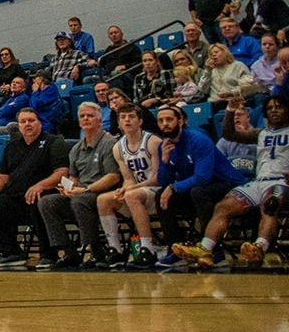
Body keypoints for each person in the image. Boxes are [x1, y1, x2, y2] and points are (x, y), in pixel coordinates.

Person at [171, 94, 289, 268]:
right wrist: (230, 110)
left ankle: (259, 247)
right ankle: (205, 248)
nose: (274, 110)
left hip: (281, 181)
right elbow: (229, 134)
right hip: (258, 181)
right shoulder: (261, 133)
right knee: (223, 207)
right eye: (270, 108)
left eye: (278, 107)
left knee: (270, 205)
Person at [152, 104, 244, 268]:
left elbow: (203, 177)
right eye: (161, 121)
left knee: (198, 192)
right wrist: (165, 162)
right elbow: (163, 182)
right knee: (160, 195)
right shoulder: (164, 146)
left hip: (227, 184)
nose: (165, 124)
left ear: (180, 121)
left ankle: (214, 251)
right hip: (198, 188)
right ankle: (175, 249)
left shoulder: (198, 139)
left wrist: (174, 187)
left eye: (169, 119)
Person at [0, 109, 70, 268]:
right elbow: (1, 176)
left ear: (39, 123)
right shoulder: (12, 147)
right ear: (18, 126)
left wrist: (39, 185)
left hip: (43, 193)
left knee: (36, 199)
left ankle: (48, 254)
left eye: (31, 120)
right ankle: (11, 253)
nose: (27, 124)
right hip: (15, 197)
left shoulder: (53, 141)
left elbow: (62, 172)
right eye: (23, 121)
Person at [34, 102, 120, 269]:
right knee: (47, 202)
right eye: (82, 116)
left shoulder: (109, 143)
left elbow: (113, 177)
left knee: (79, 201)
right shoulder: (75, 149)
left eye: (90, 115)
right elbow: (73, 176)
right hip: (81, 193)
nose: (86, 119)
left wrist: (85, 189)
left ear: (100, 120)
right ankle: (68, 251)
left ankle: (96, 250)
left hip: (103, 193)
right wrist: (68, 187)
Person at [97, 104, 161, 268]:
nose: (127, 120)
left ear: (140, 121)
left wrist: (130, 189)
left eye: (131, 117)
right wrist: (124, 187)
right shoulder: (118, 147)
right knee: (104, 200)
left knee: (132, 195)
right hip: (138, 193)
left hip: (158, 191)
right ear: (118, 123)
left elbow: (157, 178)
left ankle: (147, 248)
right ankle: (115, 249)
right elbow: (128, 179)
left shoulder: (153, 141)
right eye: (123, 117)